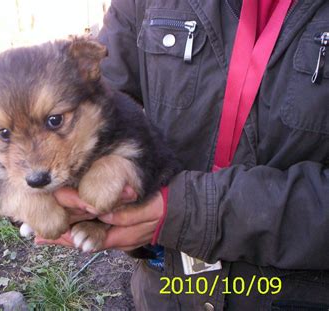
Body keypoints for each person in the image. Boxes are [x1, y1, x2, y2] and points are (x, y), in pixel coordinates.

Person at [36, 0, 329, 310]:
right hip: (165, 286)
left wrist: (191, 213)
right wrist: (39, 187)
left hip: (289, 292)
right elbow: (94, 102)